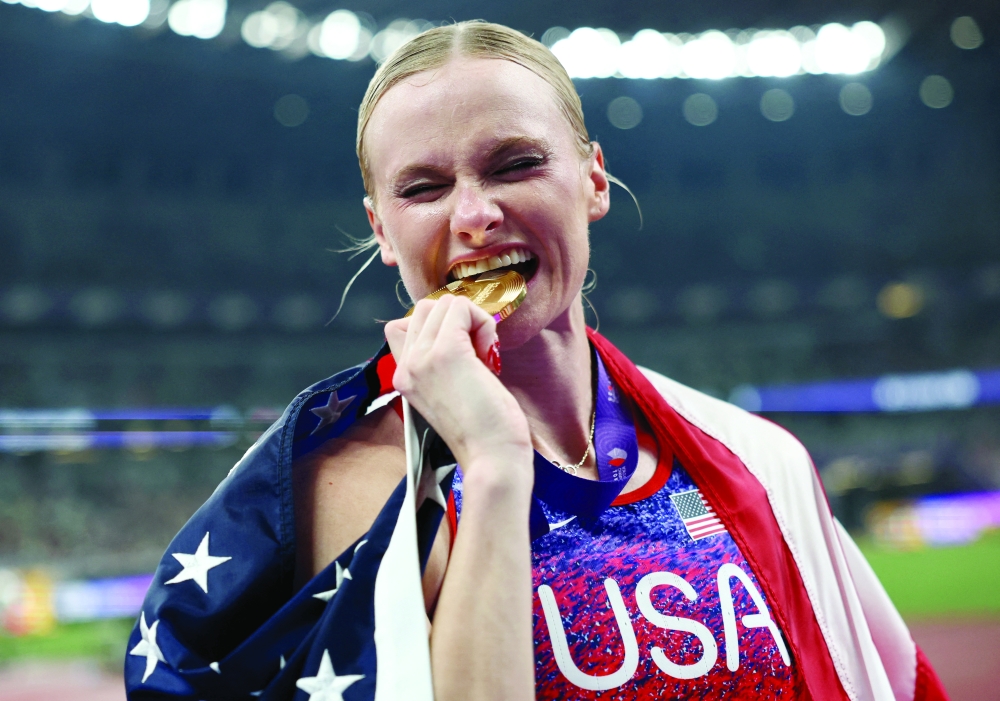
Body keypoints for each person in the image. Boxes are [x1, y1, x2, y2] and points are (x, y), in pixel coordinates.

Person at [125, 21, 950, 701]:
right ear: (380, 228)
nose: (477, 215)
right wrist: (489, 463)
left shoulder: (756, 459)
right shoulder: (348, 486)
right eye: (422, 188)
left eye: (516, 164)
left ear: (593, 179)